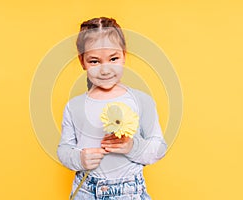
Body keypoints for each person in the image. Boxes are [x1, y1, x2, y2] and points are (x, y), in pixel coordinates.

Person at [57, 17, 167, 199]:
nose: (105, 70)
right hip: (86, 191)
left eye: (113, 58)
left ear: (124, 55)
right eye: (94, 61)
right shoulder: (74, 106)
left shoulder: (141, 100)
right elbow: (64, 148)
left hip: (129, 192)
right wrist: (79, 159)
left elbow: (158, 148)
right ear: (82, 61)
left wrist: (132, 146)